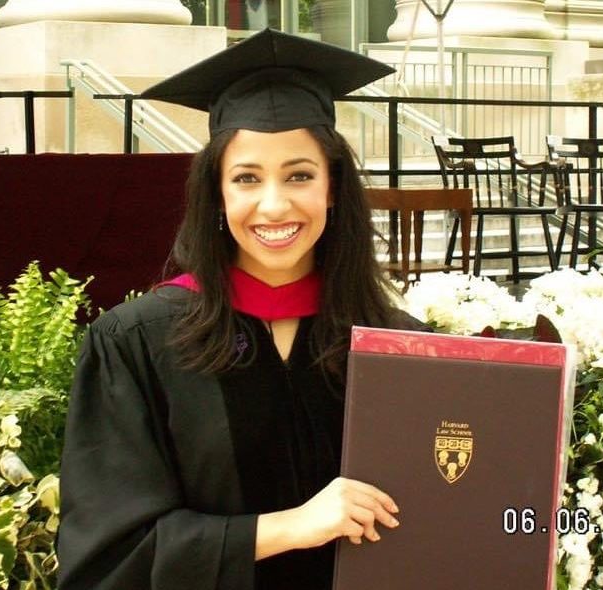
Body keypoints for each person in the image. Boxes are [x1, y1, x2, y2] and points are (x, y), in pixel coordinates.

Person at [57, 28, 429, 590]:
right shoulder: (138, 343)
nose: (274, 204)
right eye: (247, 178)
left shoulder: (395, 344)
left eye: (299, 175)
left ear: (332, 187)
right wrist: (289, 528)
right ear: (218, 192)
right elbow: (108, 556)